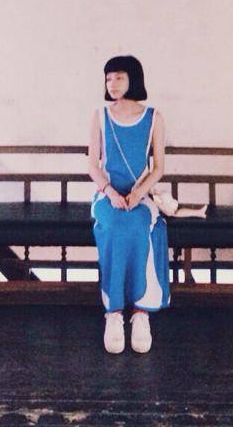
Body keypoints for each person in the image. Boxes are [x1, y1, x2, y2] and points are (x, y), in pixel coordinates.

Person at [88, 55, 170, 353]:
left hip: (141, 195)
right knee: (112, 225)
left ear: (133, 79)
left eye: (119, 77)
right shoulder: (100, 115)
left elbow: (158, 168)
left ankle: (140, 312)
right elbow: (93, 167)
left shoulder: (154, 117)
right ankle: (113, 313)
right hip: (107, 196)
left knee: (139, 225)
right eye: (108, 78)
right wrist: (110, 193)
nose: (112, 83)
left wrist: (137, 195)